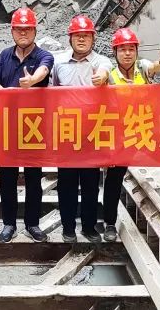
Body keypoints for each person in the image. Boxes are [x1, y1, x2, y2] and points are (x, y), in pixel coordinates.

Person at [102, 27, 160, 241]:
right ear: (115, 52)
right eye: (122, 49)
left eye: (131, 49)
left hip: (146, 130)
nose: (127, 53)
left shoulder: (142, 68)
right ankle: (110, 223)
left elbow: (153, 68)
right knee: (114, 177)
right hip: (123, 135)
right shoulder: (110, 75)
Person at [0, 7, 54, 242]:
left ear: (35, 31)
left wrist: (32, 81)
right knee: (7, 178)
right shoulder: (4, 55)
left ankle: (32, 224)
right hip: (8, 126)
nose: (23, 33)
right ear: (12, 31)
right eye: (19, 29)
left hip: (34, 127)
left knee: (33, 179)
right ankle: (9, 224)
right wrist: (1, 90)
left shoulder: (44, 55)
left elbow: (43, 70)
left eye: (27, 29)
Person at [50, 15, 111, 243]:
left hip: (91, 133)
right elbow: (50, 93)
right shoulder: (58, 63)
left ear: (93, 38)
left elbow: (106, 70)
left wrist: (102, 77)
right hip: (66, 132)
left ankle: (89, 226)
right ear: (70, 38)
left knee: (90, 183)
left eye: (86, 36)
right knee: (66, 183)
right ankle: (68, 227)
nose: (82, 39)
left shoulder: (101, 62)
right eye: (77, 35)